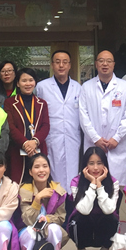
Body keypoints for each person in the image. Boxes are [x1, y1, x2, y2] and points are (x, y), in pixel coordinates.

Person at [79, 50, 126, 183]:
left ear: (113, 64)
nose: (105, 64)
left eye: (109, 61)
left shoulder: (125, 87)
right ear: (96, 64)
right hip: (93, 143)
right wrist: (95, 138)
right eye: (101, 61)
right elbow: (83, 116)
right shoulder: (86, 87)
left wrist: (117, 138)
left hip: (117, 145)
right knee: (92, 183)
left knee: (116, 185)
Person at [35, 49, 81, 194]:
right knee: (52, 173)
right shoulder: (42, 87)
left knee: (73, 174)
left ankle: (71, 202)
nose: (61, 65)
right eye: (57, 62)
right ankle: (54, 203)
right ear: (52, 65)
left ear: (70, 65)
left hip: (72, 137)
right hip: (51, 138)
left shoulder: (78, 87)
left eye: (65, 62)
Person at [68, 147, 119, 250]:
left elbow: (109, 209)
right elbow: (83, 210)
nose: (95, 168)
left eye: (99, 163)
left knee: (112, 218)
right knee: (79, 218)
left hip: (103, 222)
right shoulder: (76, 182)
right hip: (84, 223)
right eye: (91, 163)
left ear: (105, 165)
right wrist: (92, 184)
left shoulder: (113, 182)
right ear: (85, 166)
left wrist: (99, 186)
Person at [18, 154, 68, 250]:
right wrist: (37, 199)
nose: (41, 170)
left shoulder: (57, 190)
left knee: (54, 229)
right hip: (27, 230)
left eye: (45, 166)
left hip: (48, 230)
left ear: (49, 169)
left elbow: (61, 218)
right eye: (37, 167)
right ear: (30, 172)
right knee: (31, 233)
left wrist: (47, 219)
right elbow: (27, 219)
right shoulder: (24, 189)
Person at [4, 68, 50, 184]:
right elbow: (10, 126)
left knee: (40, 182)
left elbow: (45, 126)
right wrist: (25, 143)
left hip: (38, 149)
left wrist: (34, 142)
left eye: (31, 80)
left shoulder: (42, 103)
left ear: (35, 82)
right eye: (24, 81)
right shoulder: (10, 103)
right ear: (18, 83)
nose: (28, 84)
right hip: (17, 151)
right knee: (17, 184)